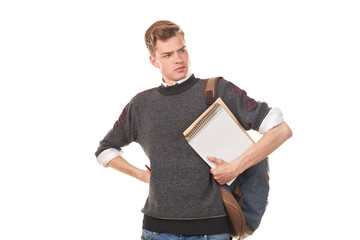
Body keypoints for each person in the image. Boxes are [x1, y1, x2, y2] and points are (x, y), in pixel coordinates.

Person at [95, 20, 292, 240]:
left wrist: (235, 168)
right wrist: (143, 175)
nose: (178, 59)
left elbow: (280, 129)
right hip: (157, 230)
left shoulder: (218, 90)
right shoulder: (141, 104)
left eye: (182, 50)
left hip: (212, 230)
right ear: (153, 61)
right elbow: (105, 150)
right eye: (167, 55)